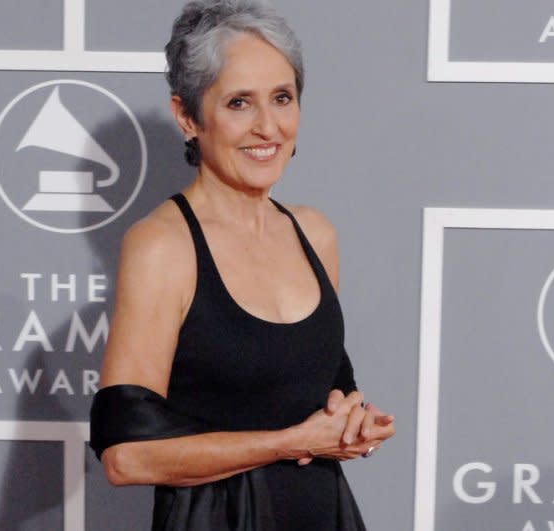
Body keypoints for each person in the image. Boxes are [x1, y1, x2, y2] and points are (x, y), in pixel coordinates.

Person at [90, 1, 395, 529]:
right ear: (188, 117)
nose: (268, 126)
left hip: (322, 513)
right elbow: (125, 456)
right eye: (238, 103)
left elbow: (324, 388)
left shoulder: (313, 233)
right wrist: (288, 443)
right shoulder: (163, 246)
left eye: (283, 98)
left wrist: (352, 427)